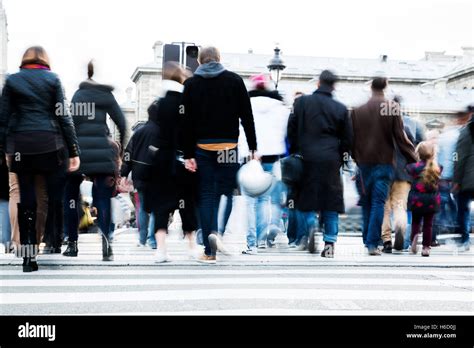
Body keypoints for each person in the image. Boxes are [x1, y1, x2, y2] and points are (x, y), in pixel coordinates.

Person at [0, 46, 80, 272]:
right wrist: (73, 150)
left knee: (26, 200)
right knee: (47, 197)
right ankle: (46, 240)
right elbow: (64, 115)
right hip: (48, 145)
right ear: (46, 60)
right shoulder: (53, 79)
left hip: (21, 146)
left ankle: (28, 258)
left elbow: (3, 117)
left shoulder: (12, 81)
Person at [182, 46, 258, 264]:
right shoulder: (234, 81)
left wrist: (188, 153)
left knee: (206, 195)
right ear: (219, 59)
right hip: (228, 148)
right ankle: (219, 232)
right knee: (225, 192)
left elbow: (185, 123)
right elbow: (247, 116)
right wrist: (253, 147)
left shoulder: (191, 84)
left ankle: (209, 249)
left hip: (203, 148)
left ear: (199, 62)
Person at [63, 60, 126, 261]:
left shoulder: (79, 95)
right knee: (102, 197)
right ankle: (106, 241)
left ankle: (72, 243)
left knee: (71, 196)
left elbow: (69, 125)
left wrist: (71, 152)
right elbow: (122, 123)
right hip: (102, 151)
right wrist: (121, 150)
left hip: (80, 152)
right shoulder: (107, 95)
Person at [288, 70, 352, 258]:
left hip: (306, 157)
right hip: (331, 159)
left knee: (306, 198)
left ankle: (310, 225)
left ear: (318, 83)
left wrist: (295, 150)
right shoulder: (340, 108)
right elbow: (348, 139)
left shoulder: (302, 103)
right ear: (334, 86)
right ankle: (330, 242)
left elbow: (291, 128)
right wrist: (340, 158)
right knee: (331, 202)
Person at [351, 77, 417, 255]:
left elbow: (351, 139)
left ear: (371, 88)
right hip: (384, 163)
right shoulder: (392, 108)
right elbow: (401, 138)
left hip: (364, 164)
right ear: (385, 87)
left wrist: (355, 158)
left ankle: (368, 239)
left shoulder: (357, 111)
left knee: (366, 202)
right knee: (378, 202)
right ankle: (373, 243)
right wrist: (413, 159)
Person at [239, 74, 289, 254]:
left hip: (251, 155)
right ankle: (262, 238)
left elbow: (240, 129)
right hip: (271, 156)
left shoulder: (245, 103)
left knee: (250, 202)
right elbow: (284, 131)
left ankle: (251, 243)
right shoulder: (278, 106)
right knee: (265, 199)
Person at [381, 96, 416, 253]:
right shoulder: (406, 130)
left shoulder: (380, 132)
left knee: (385, 208)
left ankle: (387, 240)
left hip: (384, 173)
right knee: (400, 206)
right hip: (403, 174)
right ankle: (400, 229)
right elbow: (412, 151)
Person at [434, 109, 471, 245]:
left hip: (446, 176)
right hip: (459, 177)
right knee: (460, 206)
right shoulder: (463, 134)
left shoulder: (448, 135)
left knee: (444, 204)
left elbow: (442, 156)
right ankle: (459, 231)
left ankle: (441, 231)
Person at [406, 142, 442, 257]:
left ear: (418, 153)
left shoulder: (414, 168)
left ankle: (414, 240)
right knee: (428, 225)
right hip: (431, 202)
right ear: (433, 154)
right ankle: (426, 247)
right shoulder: (437, 168)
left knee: (415, 222)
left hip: (416, 200)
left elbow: (407, 170)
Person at [453, 105, 474, 251]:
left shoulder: (466, 131)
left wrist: (456, 180)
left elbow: (459, 158)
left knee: (463, 209)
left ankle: (465, 240)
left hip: (468, 179)